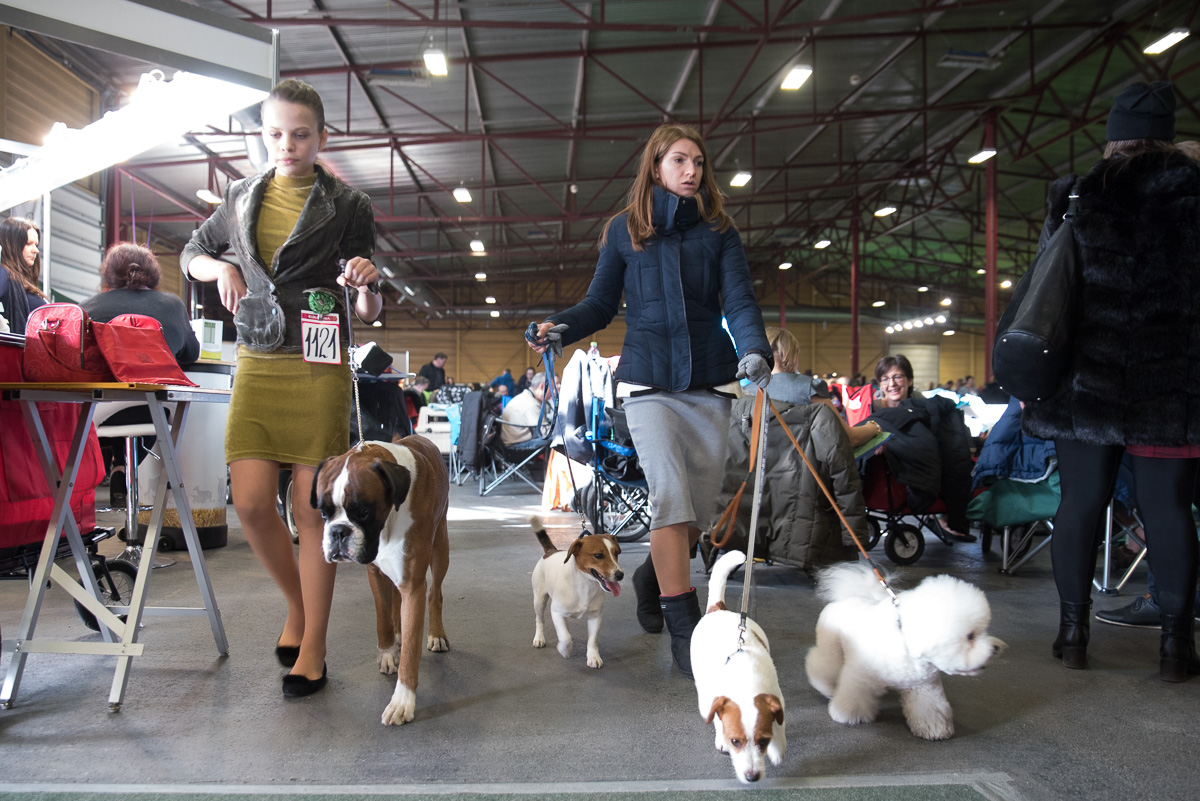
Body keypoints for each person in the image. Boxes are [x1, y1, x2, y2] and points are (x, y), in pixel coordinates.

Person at [527, 122, 772, 677]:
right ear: (656, 166)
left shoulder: (719, 229)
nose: (692, 171)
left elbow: (739, 300)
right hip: (647, 384)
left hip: (710, 382)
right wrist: (560, 326)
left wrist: (755, 349)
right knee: (670, 498)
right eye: (680, 160)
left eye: (699, 162)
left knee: (696, 514)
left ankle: (650, 576)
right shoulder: (623, 230)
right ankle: (686, 629)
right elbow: (599, 304)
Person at [179, 78, 382, 698]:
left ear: (322, 137)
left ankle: (313, 647)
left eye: (300, 134)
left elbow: (368, 309)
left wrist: (368, 282)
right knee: (248, 502)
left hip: (319, 363)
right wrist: (220, 266)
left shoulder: (348, 204)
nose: (286, 145)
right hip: (258, 358)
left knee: (310, 509)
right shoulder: (240, 195)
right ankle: (299, 604)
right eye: (275, 134)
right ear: (262, 134)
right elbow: (191, 252)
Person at [1021, 81, 1200, 681]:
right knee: (1168, 507)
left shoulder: (1076, 195)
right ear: (1167, 137)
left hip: (1085, 384)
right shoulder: (1193, 193)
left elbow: (1046, 287)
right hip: (1168, 386)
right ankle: (1176, 647)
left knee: (1079, 502)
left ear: (1113, 137)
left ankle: (1073, 634)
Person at [82, 243, 201, 497]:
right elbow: (191, 353)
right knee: (146, 390)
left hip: (99, 413)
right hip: (156, 411)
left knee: (116, 386)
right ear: (152, 272)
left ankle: (119, 464)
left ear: (109, 273)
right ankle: (127, 467)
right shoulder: (172, 305)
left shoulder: (88, 308)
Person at [868, 354, 975, 542]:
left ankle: (942, 514)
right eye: (885, 379)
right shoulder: (871, 408)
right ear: (880, 384)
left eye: (897, 377)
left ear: (909, 380)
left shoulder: (924, 405)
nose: (892, 384)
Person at [765, 326, 880, 450]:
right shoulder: (809, 387)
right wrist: (874, 427)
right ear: (792, 354)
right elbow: (849, 438)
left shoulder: (752, 391)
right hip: (805, 461)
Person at [0, 216, 46, 333]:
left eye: (36, 245)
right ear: (12, 245)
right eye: (28, 243)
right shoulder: (4, 275)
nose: (36, 250)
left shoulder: (19, 281)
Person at [498, 371, 547, 446]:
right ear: (542, 386)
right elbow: (544, 432)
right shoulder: (530, 403)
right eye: (552, 389)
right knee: (554, 440)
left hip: (510, 441)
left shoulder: (525, 396)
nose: (554, 392)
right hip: (515, 445)